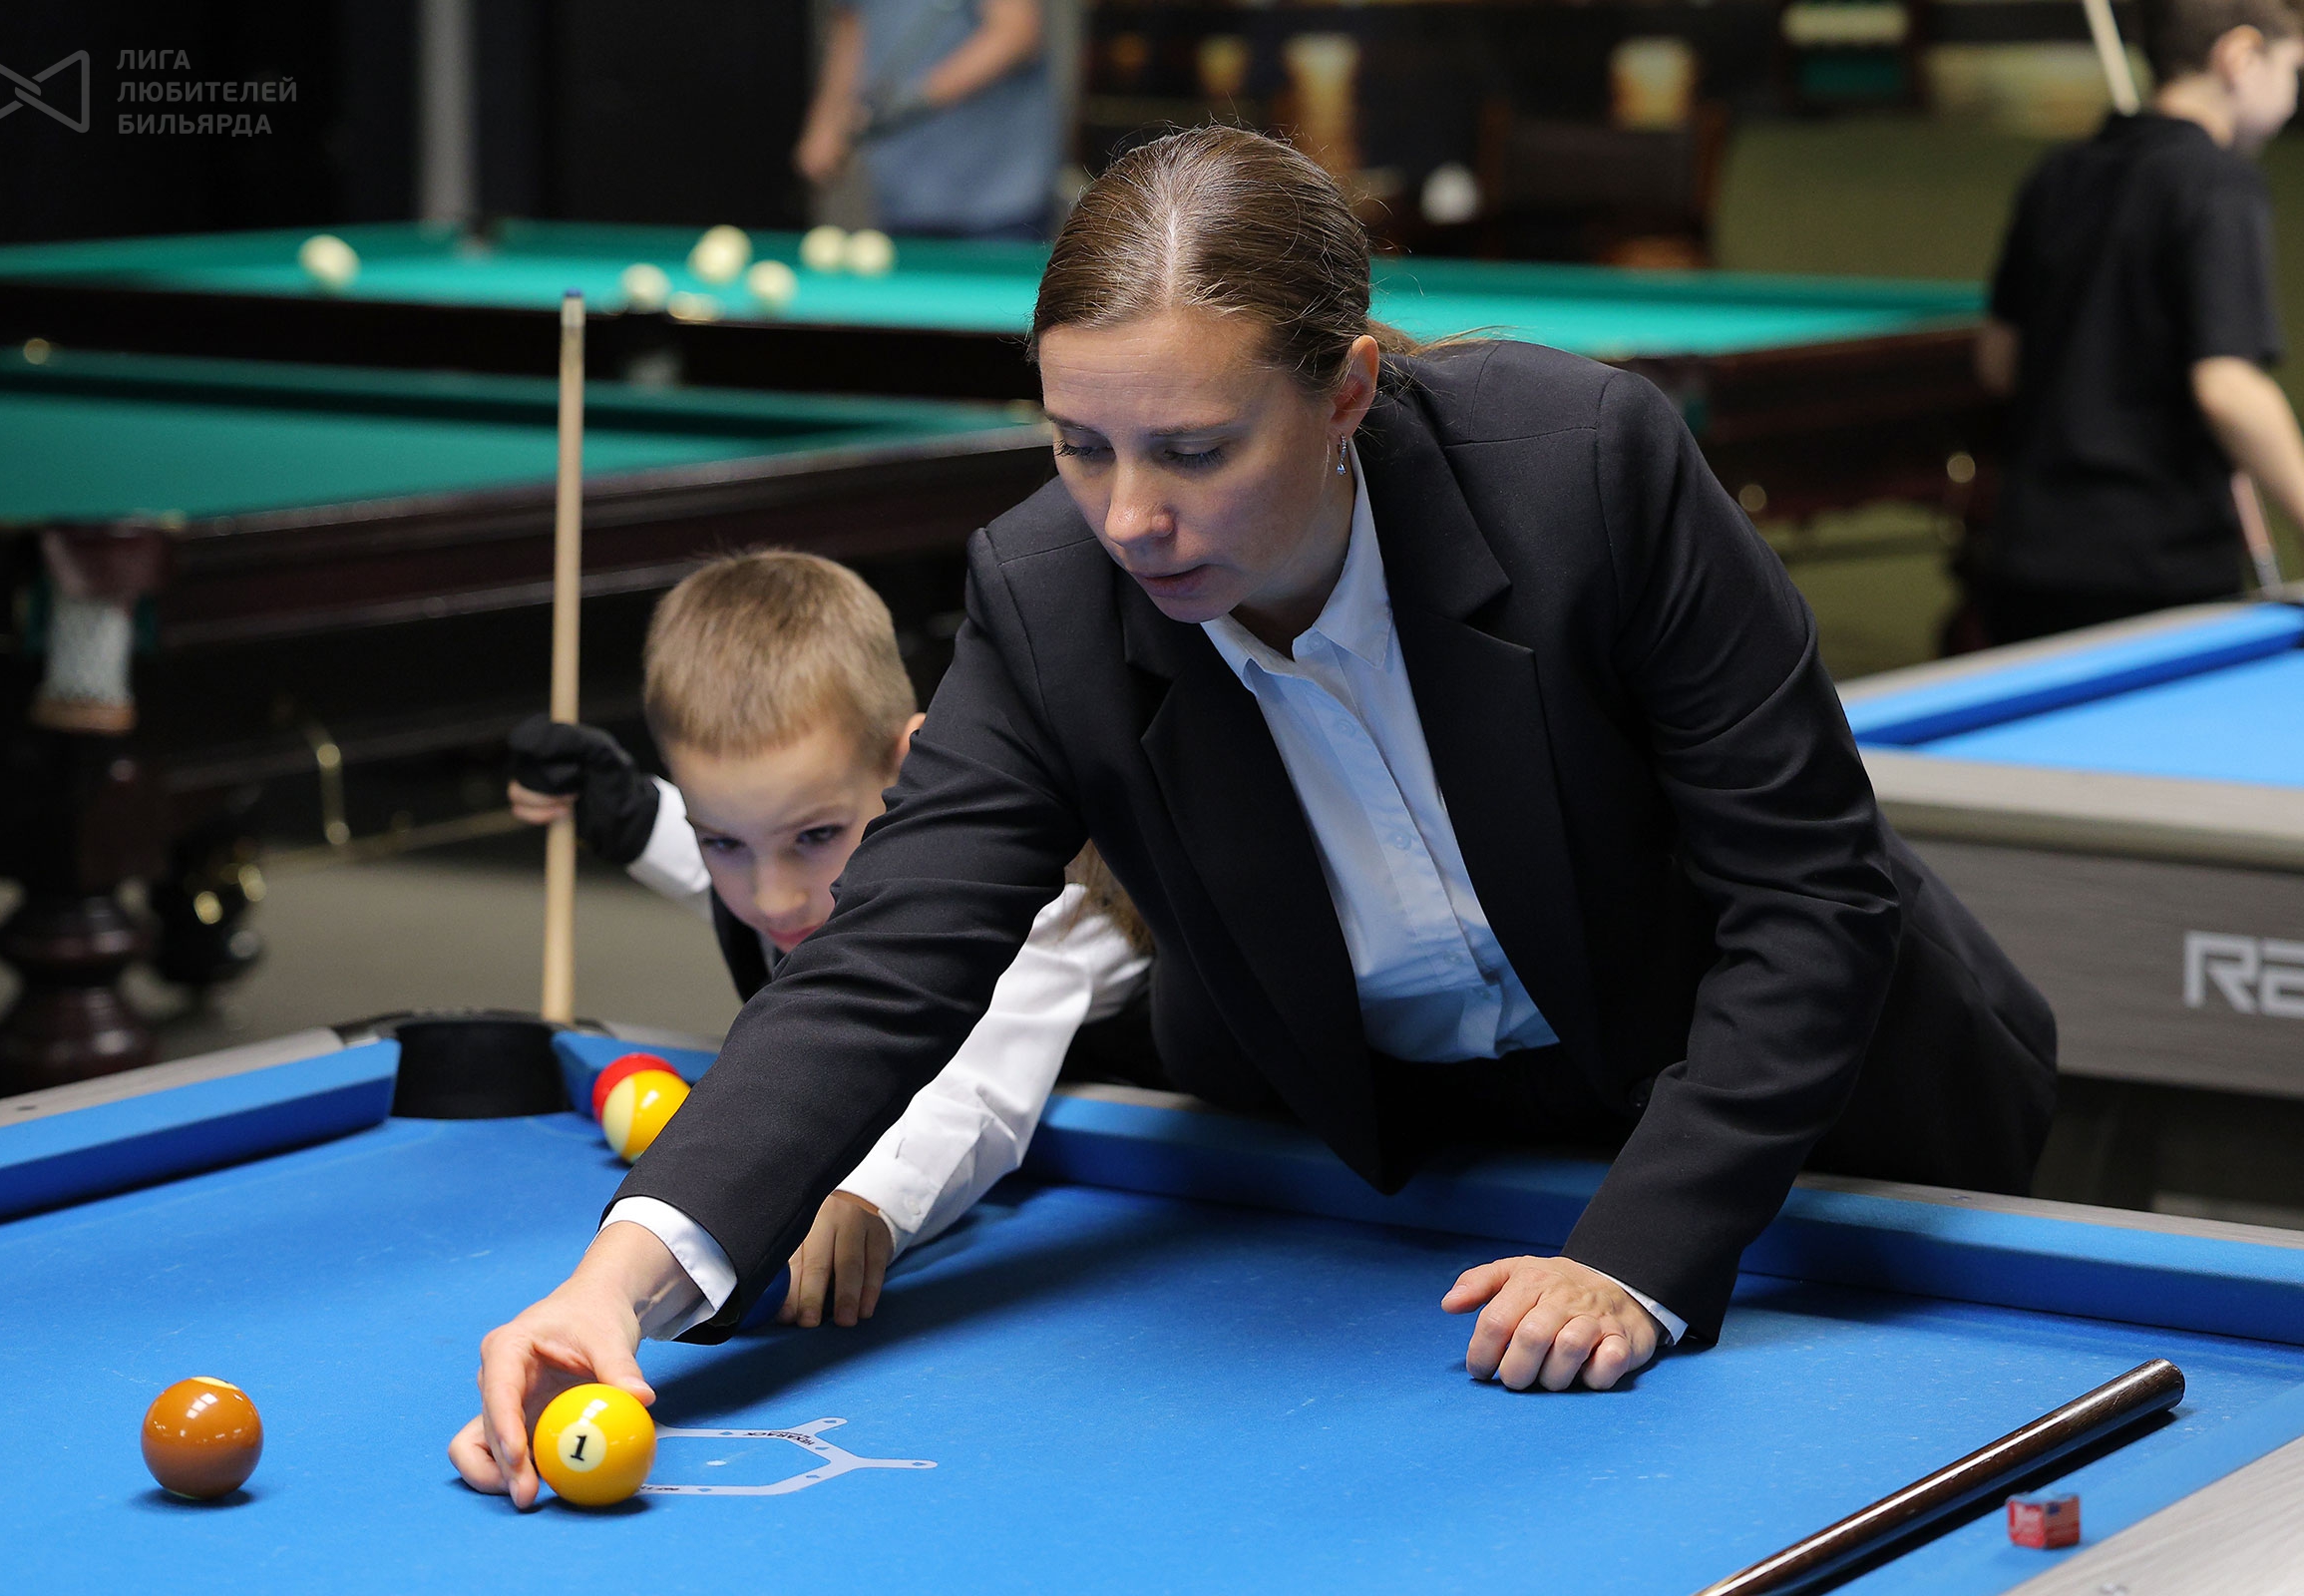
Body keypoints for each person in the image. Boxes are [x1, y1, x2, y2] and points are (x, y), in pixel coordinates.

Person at [455, 127, 2057, 1511]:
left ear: (1347, 391)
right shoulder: (1048, 596)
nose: (1129, 517)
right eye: (1079, 446)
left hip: (1809, 1140)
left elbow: (1809, 896)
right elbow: (885, 964)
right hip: (1411, 1166)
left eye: (1195, 451)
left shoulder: (1586, 469)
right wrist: (618, 1285)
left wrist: (1639, 1251)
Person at [493, 553, 1151, 1336]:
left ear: (916, 766)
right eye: (723, 842)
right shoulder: (783, 849)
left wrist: (865, 1193)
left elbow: (970, 1093)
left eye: (814, 836)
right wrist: (621, 809)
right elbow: (730, 843)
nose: (772, 897)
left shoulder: (1044, 911)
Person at [1970, 0, 2304, 644]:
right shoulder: (2219, 182)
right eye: (2293, 70)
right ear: (2240, 57)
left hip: (2027, 557)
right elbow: (2228, 387)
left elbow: (1998, 363)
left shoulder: (2057, 174)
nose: (2294, 99)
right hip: (2157, 570)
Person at [795, 0, 1061, 240]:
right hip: (904, 192)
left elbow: (1014, 32)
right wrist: (826, 122)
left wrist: (913, 102)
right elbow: (851, 24)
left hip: (997, 196)